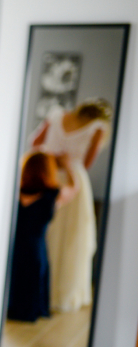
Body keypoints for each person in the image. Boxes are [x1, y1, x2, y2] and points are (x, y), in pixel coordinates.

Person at [31, 99, 112, 312]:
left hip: (48, 174)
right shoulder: (98, 129)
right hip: (72, 179)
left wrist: (53, 157)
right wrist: (67, 164)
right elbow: (86, 164)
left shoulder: (57, 115)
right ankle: (61, 291)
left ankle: (38, 288)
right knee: (72, 240)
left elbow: (35, 143)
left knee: (45, 234)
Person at [7, 152, 78, 322]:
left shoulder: (14, 192)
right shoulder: (52, 196)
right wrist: (67, 166)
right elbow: (74, 187)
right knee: (33, 277)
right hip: (35, 249)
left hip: (14, 247)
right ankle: (30, 311)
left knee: (15, 277)